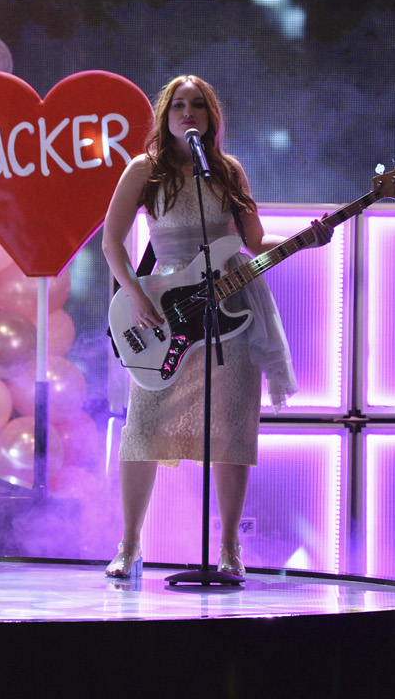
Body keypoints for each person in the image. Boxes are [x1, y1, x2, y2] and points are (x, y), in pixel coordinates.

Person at [101, 75, 331, 578]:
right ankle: (130, 545)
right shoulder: (145, 169)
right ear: (165, 115)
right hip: (166, 311)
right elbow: (111, 241)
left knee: (231, 428)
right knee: (143, 428)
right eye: (179, 105)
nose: (188, 112)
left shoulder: (228, 172)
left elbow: (253, 240)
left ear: (211, 116)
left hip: (230, 311)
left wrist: (305, 238)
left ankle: (229, 549)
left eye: (198, 105)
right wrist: (135, 295)